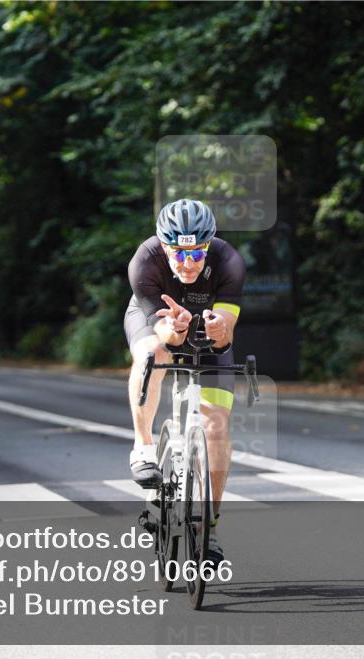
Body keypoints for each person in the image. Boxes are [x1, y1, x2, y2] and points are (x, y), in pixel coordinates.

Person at [124, 198, 246, 564]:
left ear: (209, 244)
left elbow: (226, 335)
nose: (188, 263)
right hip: (157, 324)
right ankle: (143, 446)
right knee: (152, 354)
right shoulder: (144, 261)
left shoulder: (229, 262)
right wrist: (174, 330)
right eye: (178, 253)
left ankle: (207, 528)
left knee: (217, 425)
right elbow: (165, 336)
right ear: (164, 245)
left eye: (197, 253)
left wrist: (218, 329)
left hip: (207, 332)